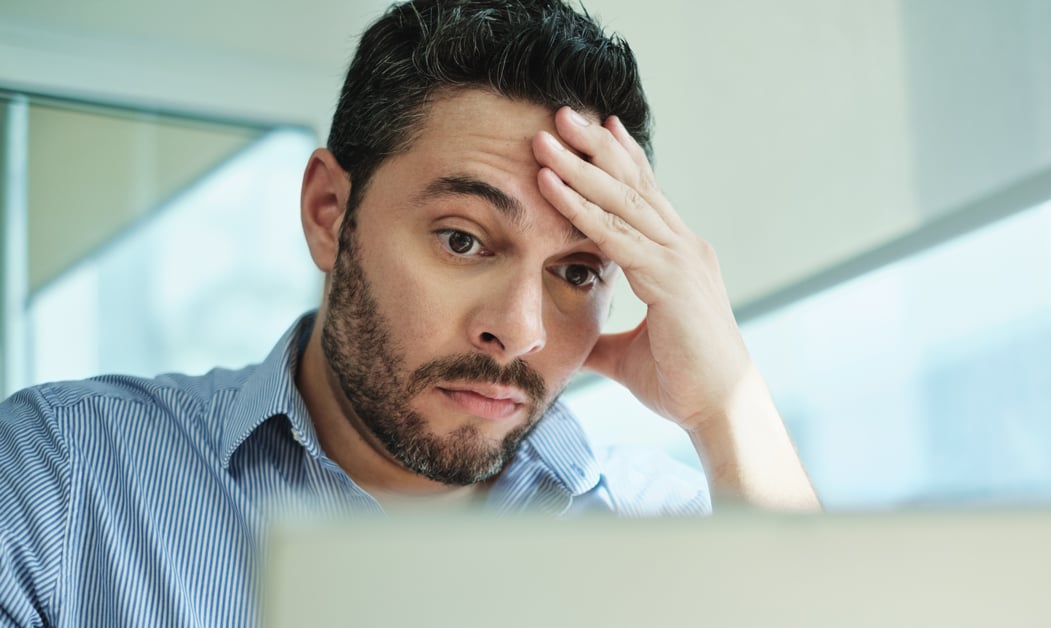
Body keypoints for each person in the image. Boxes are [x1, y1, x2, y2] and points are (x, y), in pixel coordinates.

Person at [0, 0, 819, 624]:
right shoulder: (60, 480)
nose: (522, 330)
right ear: (329, 211)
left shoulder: (664, 529)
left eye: (577, 270)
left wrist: (725, 410)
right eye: (464, 241)